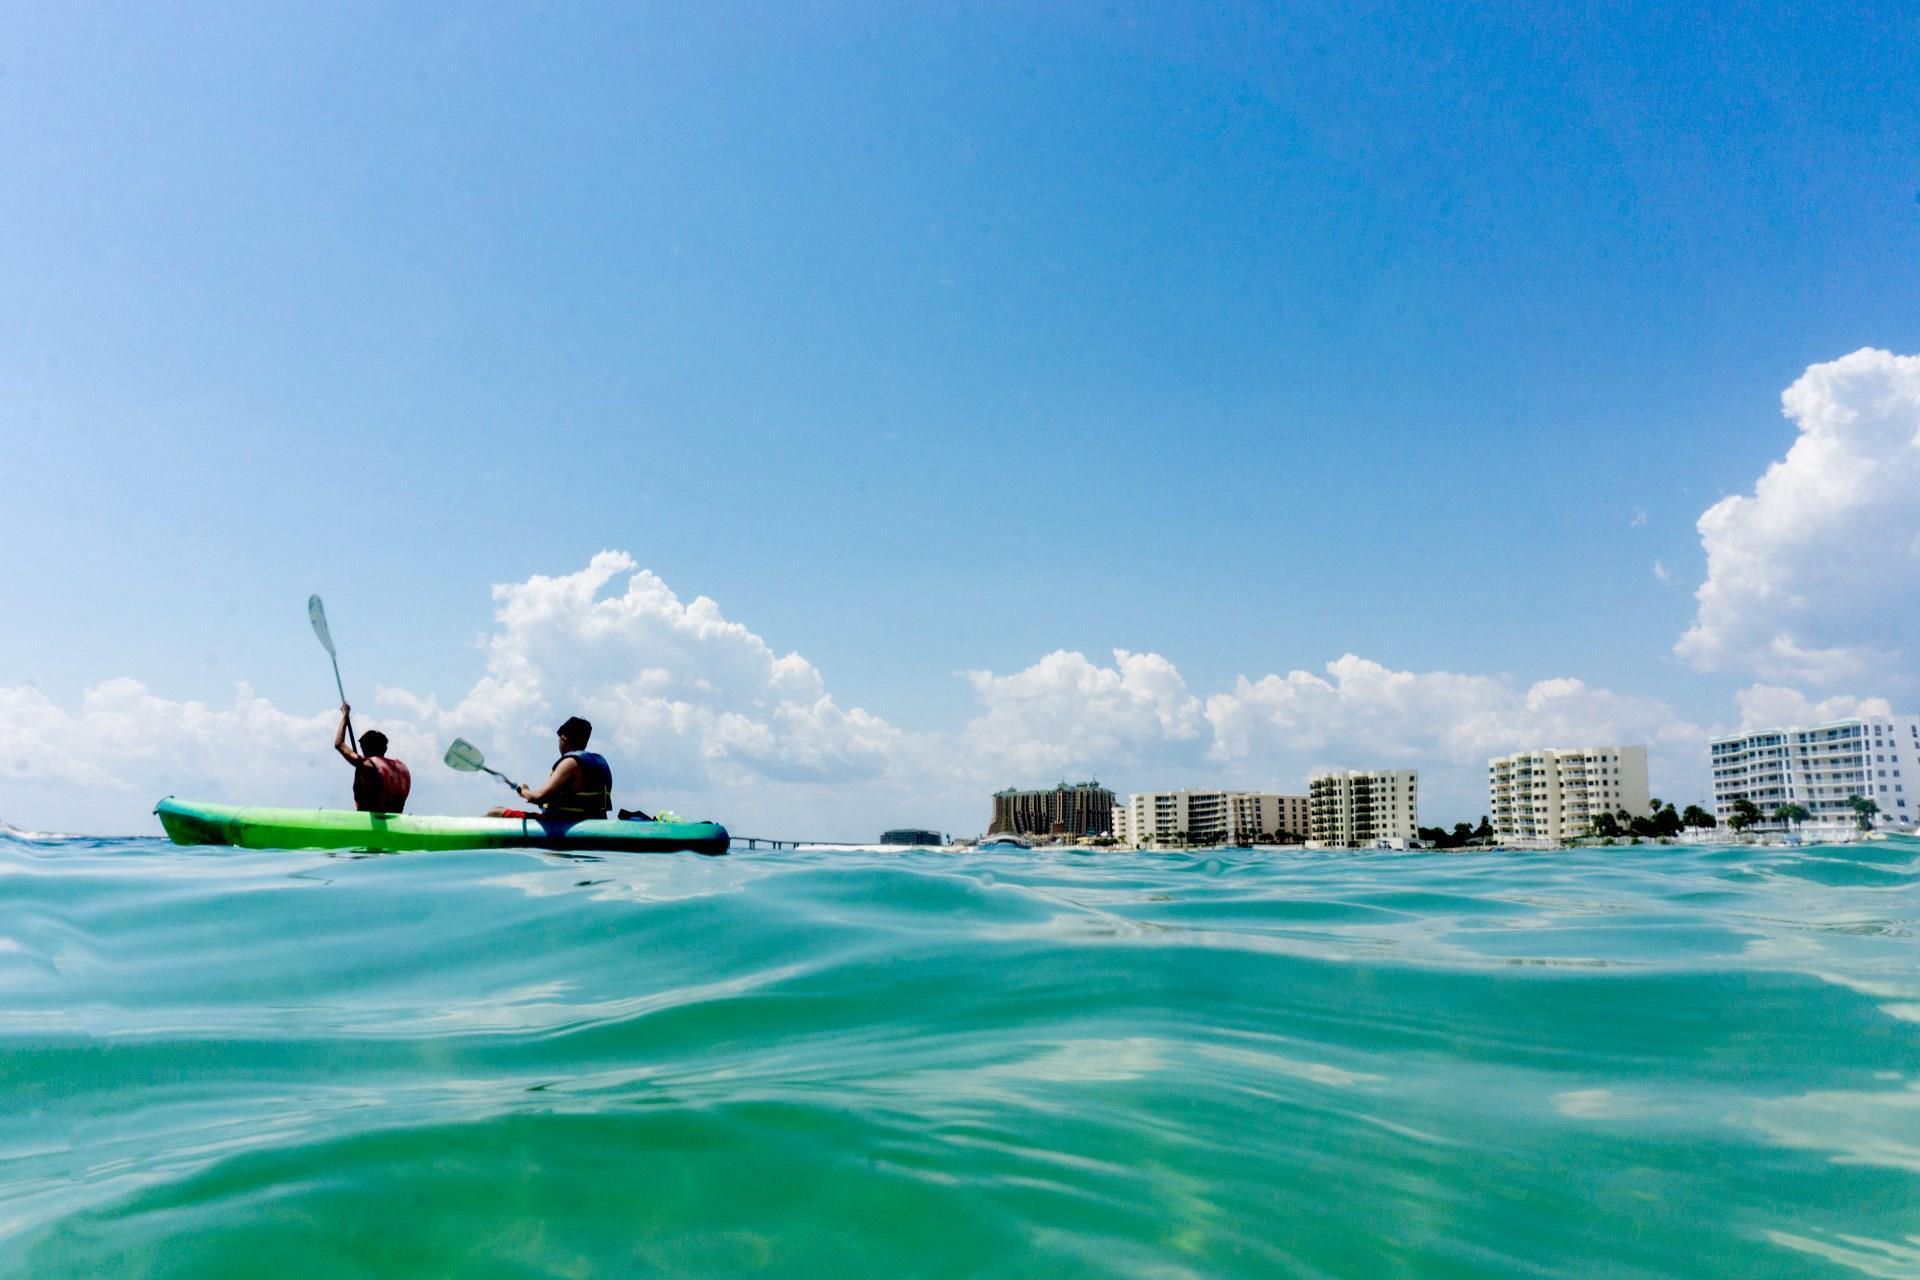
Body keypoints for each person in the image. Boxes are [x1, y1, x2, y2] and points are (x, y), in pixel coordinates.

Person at [514, 716, 613, 820]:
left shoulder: (570, 763)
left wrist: (523, 791)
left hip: (564, 825)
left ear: (563, 738)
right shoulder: (601, 763)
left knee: (497, 811)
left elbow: (539, 797)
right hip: (596, 824)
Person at [334, 703, 411, 813]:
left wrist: (345, 716)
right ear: (384, 748)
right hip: (396, 822)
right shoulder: (402, 767)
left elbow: (339, 744)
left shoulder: (368, 766)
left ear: (365, 748)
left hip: (372, 824)